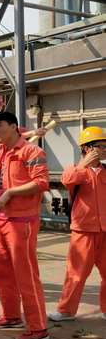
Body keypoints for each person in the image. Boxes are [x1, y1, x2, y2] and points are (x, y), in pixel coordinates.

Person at [0, 107, 50, 339]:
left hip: (22, 222)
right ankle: (11, 315)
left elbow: (41, 182)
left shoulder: (31, 151)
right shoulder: (0, 150)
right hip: (3, 220)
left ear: (13, 127)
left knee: (26, 275)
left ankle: (38, 327)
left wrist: (11, 192)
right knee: (4, 273)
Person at [48, 126, 106, 322]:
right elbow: (67, 180)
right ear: (87, 148)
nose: (104, 150)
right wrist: (84, 164)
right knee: (76, 274)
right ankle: (66, 311)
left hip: (105, 230)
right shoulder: (74, 169)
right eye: (100, 146)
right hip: (83, 230)